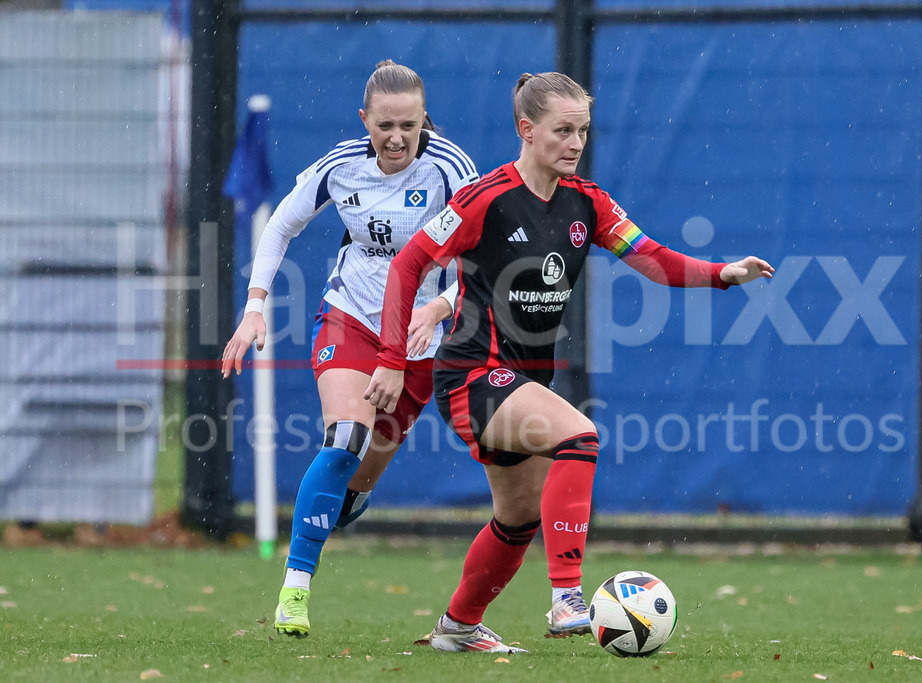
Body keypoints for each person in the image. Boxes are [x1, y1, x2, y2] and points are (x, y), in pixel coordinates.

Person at [365, 71, 775, 653]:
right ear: (527, 130)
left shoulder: (589, 202)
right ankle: (566, 598)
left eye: (582, 130)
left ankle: (457, 627)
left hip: (523, 379)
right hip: (471, 375)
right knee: (580, 437)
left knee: (518, 517)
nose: (576, 143)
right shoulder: (483, 199)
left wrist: (722, 274)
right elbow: (408, 264)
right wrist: (391, 358)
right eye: (563, 131)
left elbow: (653, 259)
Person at [220, 60, 479, 638]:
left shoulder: (452, 170)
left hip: (421, 337)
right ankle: (295, 588)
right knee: (344, 440)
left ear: (424, 120)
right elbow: (278, 227)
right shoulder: (341, 166)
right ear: (365, 119)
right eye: (385, 125)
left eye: (408, 126)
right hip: (352, 317)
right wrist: (255, 304)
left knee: (360, 477)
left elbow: (481, 258)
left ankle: (348, 499)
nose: (397, 138)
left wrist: (437, 309)